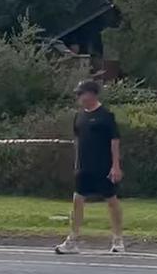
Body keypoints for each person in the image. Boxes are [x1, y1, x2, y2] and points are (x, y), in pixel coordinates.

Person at [55, 80, 124, 254]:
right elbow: (77, 141)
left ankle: (118, 240)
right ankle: (73, 239)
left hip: (103, 166)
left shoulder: (106, 116)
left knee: (111, 201)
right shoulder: (79, 116)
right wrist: (76, 163)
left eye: (81, 93)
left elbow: (115, 141)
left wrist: (115, 166)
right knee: (77, 201)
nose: (79, 97)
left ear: (92, 94)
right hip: (84, 167)